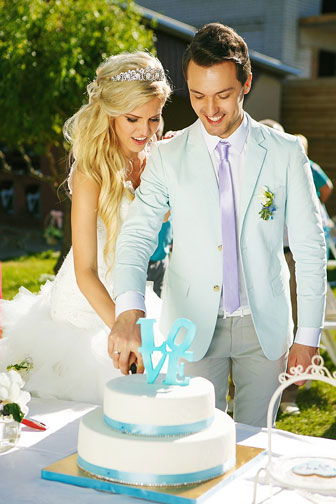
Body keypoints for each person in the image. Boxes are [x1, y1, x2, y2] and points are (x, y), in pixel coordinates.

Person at [108, 23, 326, 428]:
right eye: (197, 95)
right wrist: (128, 310)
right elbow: (137, 235)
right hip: (189, 327)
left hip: (266, 328)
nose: (210, 109)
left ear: (245, 84)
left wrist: (308, 336)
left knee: (255, 445)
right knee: (192, 443)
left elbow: (310, 247)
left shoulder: (285, 153)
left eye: (223, 95)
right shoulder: (167, 155)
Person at [0, 51, 171, 404]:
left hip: (132, 296)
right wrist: (123, 328)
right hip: (85, 308)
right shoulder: (90, 171)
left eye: (154, 119)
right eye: (132, 119)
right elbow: (85, 270)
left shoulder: (156, 157)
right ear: (109, 113)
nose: (145, 131)